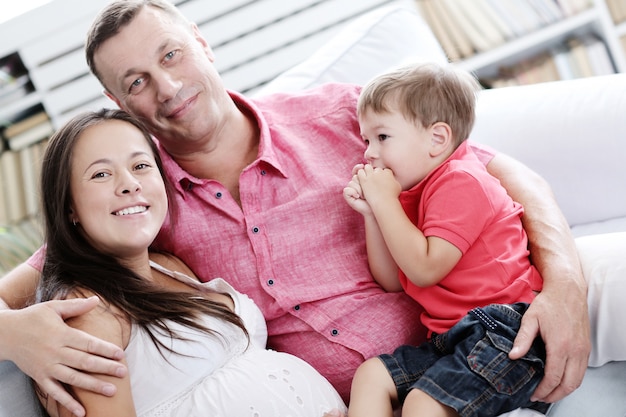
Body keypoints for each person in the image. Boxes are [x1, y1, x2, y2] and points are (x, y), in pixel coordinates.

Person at [0, 1, 588, 416]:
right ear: (117, 101)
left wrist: (563, 283)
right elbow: (28, 282)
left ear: (200, 43)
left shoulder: (341, 118)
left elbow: (509, 175)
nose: (167, 86)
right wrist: (10, 335)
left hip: (463, 359)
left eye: (172, 55)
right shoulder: (136, 199)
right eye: (136, 82)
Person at [32, 108, 347, 417]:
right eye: (101, 174)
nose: (129, 184)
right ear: (68, 206)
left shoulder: (168, 265)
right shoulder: (87, 314)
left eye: (141, 165)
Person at [343, 63, 549, 417]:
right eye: (366, 140)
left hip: (506, 332)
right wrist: (373, 216)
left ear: (437, 139)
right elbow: (393, 280)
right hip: (453, 338)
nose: (369, 153)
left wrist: (385, 202)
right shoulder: (410, 193)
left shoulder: (462, 181)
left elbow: (425, 269)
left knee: (423, 404)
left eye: (382, 137)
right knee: (371, 376)